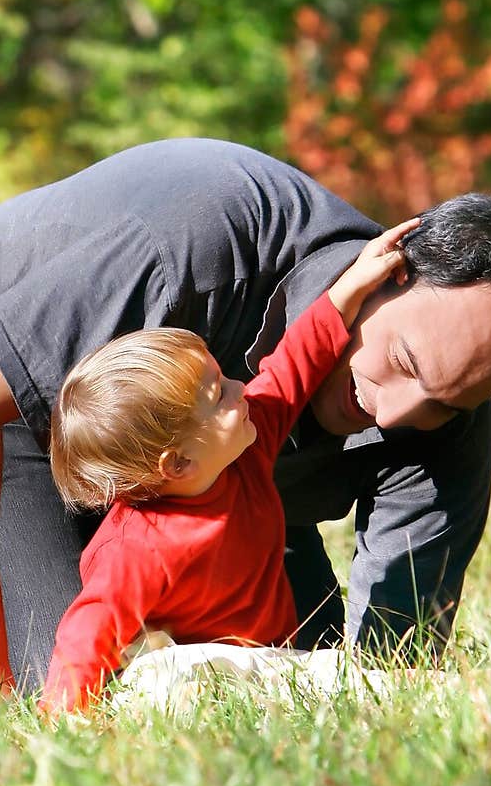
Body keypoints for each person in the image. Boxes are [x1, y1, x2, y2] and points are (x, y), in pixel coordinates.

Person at [0, 137, 491, 700]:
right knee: (87, 686)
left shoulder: (448, 417)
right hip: (8, 404)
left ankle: (44, 578)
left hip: (213, 485)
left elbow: (389, 667)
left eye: (448, 401)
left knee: (296, 676)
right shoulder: (195, 243)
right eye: (406, 361)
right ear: (389, 269)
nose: (394, 414)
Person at [42, 221, 418, 714]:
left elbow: (291, 366)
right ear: (176, 462)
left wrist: (350, 288)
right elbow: (88, 634)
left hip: (272, 661)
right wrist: (65, 722)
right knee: (162, 679)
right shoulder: (137, 549)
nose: (243, 389)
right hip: (206, 679)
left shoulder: (240, 452)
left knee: (330, 674)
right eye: (219, 394)